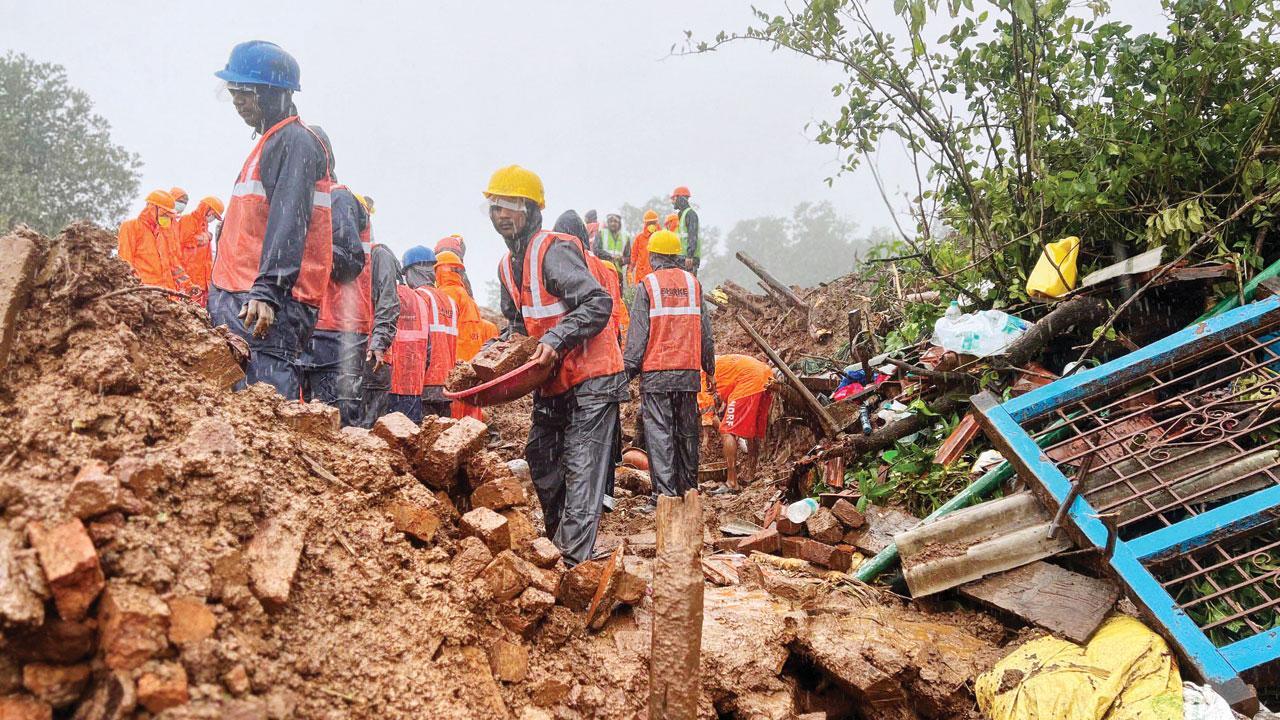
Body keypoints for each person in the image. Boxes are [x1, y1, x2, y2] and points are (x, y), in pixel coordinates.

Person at [489, 165, 626, 566]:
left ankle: (570, 563)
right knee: (541, 458)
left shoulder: (553, 250)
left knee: (583, 467)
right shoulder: (505, 266)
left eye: (511, 207)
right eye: (496, 208)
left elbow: (598, 303)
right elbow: (520, 323)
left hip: (593, 376)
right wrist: (498, 353)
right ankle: (559, 549)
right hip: (553, 382)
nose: (501, 216)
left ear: (531, 211)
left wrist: (555, 339)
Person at [210, 40, 341, 399]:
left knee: (265, 402)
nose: (238, 103)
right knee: (239, 401)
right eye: (234, 93)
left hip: (265, 304)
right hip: (243, 296)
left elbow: (290, 222)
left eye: (245, 94)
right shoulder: (269, 143)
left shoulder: (294, 143)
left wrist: (268, 291)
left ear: (274, 95)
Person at [623, 229, 716, 511]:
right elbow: (705, 331)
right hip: (687, 372)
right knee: (687, 432)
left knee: (660, 434)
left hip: (657, 372)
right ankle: (690, 490)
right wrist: (708, 367)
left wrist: (627, 371)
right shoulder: (693, 284)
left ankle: (664, 498)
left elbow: (638, 333)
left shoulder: (647, 285)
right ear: (676, 256)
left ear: (653, 256)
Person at [403, 246, 458, 418]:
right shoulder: (450, 301)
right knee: (443, 435)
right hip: (447, 382)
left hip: (424, 381)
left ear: (411, 271)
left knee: (423, 436)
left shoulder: (417, 297)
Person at [707, 354, 774, 492]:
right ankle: (751, 472)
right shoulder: (715, 363)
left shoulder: (701, 376)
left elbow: (710, 415)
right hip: (765, 375)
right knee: (751, 429)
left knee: (727, 431)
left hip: (748, 379)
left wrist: (723, 436)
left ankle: (732, 482)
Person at [386, 248, 432, 423]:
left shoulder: (387, 294)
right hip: (413, 385)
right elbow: (429, 347)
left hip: (388, 383)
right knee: (410, 439)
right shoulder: (419, 300)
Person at [117, 190, 189, 292]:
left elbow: (173, 265)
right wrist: (134, 289)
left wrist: (188, 285)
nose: (167, 218)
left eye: (169, 215)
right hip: (144, 292)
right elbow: (125, 262)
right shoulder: (131, 227)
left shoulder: (163, 233)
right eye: (165, 214)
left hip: (166, 292)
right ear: (152, 208)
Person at [176, 196, 224, 305]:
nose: (213, 218)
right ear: (207, 209)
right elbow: (185, 240)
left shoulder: (204, 225)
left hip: (202, 281)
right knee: (186, 309)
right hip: (188, 278)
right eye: (214, 215)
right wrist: (204, 237)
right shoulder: (187, 219)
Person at [671, 186, 701, 274]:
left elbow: (692, 235)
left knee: (690, 285)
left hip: (688, 259)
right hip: (682, 258)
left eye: (674, 198)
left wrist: (690, 255)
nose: (672, 202)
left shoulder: (690, 214)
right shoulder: (682, 214)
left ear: (680, 198)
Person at [628, 209, 660, 285]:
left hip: (657, 274)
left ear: (656, 223)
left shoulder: (662, 237)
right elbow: (633, 255)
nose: (651, 225)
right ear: (645, 224)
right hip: (642, 275)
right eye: (649, 223)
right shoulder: (639, 238)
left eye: (653, 223)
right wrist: (630, 271)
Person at [593, 213, 628, 277]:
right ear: (607, 222)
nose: (613, 223)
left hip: (618, 273)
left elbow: (628, 257)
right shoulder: (601, 234)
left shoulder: (625, 237)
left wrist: (622, 260)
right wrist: (610, 256)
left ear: (619, 223)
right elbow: (596, 250)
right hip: (603, 271)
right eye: (611, 221)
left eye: (615, 221)